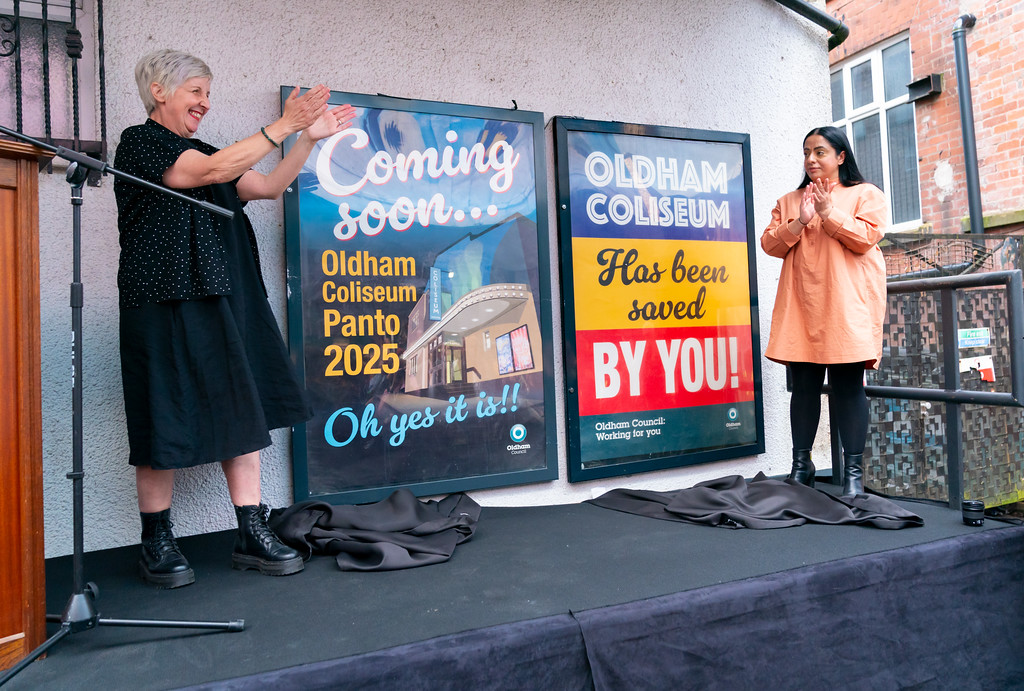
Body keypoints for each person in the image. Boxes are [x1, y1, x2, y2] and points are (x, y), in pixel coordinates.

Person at [113, 49, 355, 588]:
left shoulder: (208, 151)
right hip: (163, 301)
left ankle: (250, 530)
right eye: (196, 90)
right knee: (162, 409)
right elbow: (208, 172)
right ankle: (157, 541)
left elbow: (265, 186)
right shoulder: (140, 142)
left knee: (240, 405)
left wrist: (308, 139)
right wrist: (282, 124)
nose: (205, 101)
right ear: (160, 91)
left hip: (223, 295)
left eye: (206, 92)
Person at [760, 126, 887, 497]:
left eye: (820, 152)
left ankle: (853, 473)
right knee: (803, 388)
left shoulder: (865, 194)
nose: (811, 160)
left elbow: (865, 239)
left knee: (848, 388)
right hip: (802, 305)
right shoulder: (789, 200)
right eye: (806, 153)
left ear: (841, 156)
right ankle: (802, 466)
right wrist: (800, 219)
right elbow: (770, 244)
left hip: (847, 307)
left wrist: (829, 212)